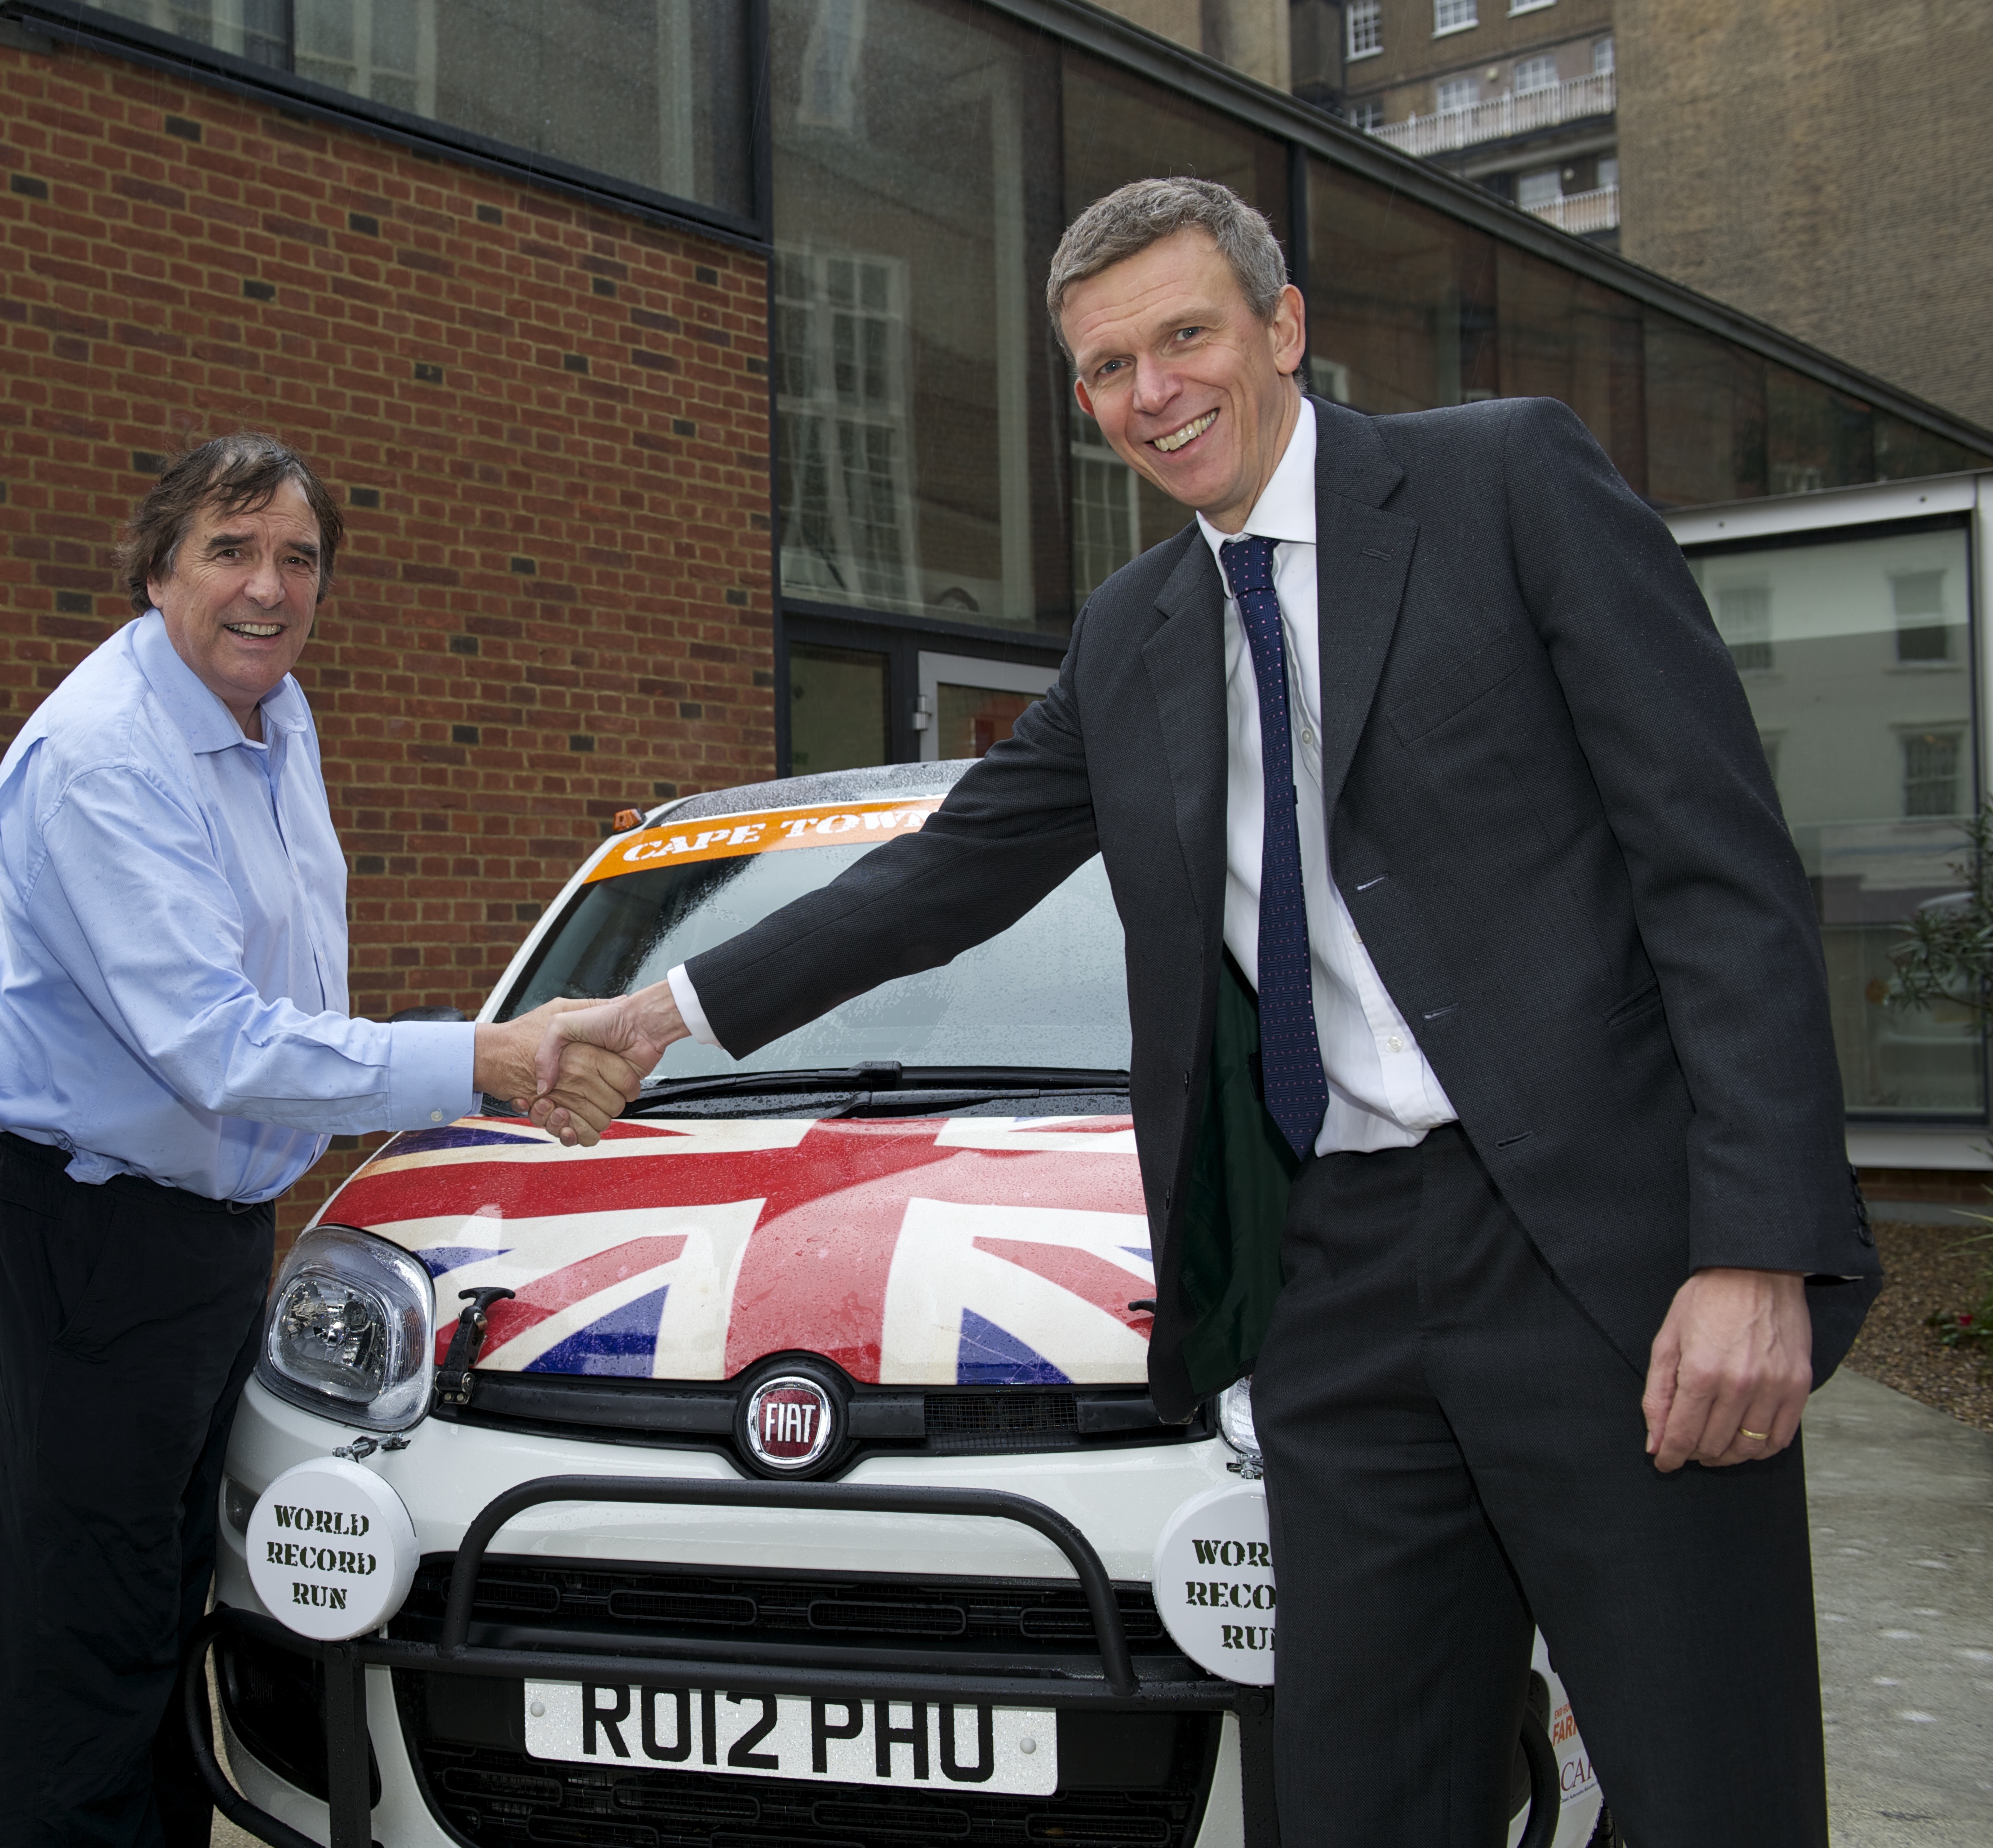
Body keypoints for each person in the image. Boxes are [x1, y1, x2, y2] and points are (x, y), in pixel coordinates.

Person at [539, 179, 1877, 1844]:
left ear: (1283, 326)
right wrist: (660, 1012)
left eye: (1185, 337)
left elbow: (1719, 870)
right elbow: (943, 875)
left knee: (1706, 1781)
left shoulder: (1506, 483)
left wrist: (1753, 1246)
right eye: (1109, 368)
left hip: (1604, 1259)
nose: (1153, 392)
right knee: (1363, 1796)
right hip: (1335, 1276)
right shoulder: (1133, 635)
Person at [0, 431, 639, 1846]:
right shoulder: (103, 757)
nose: (268, 588)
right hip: (89, 1242)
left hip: (209, 1240)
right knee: (82, 1657)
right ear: (156, 568)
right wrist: (484, 1056)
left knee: (171, 1628)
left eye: (299, 557)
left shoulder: (273, 712)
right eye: (230, 550)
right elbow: (217, 1044)